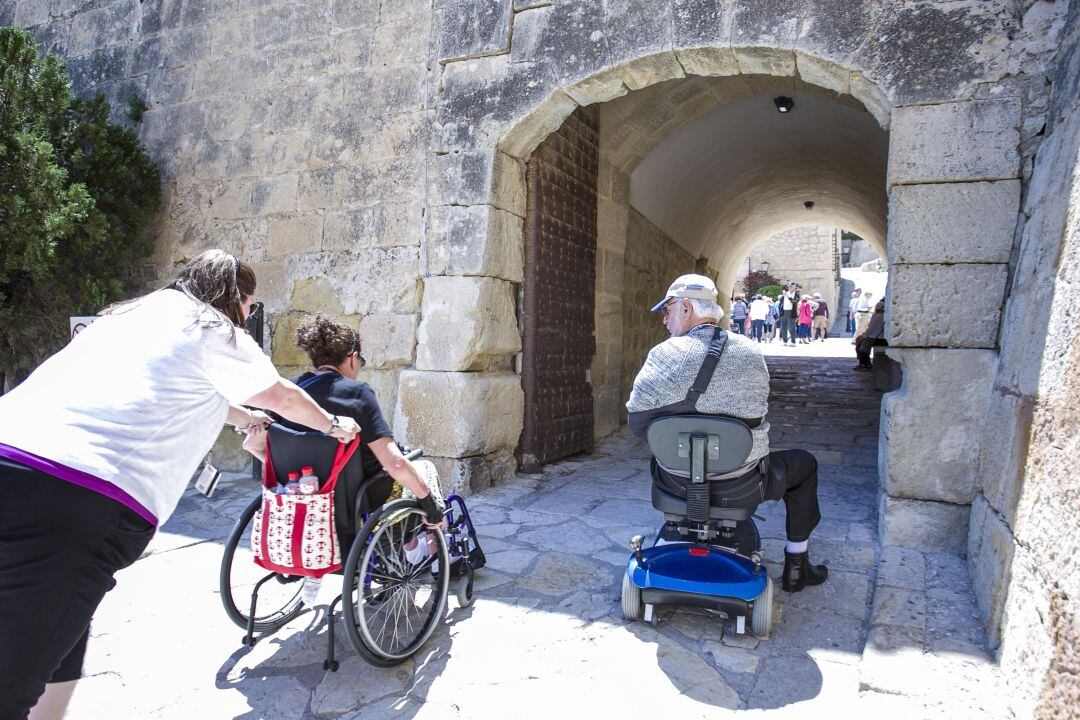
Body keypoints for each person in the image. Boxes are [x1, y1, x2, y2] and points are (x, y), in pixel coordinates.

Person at [0, 250, 369, 720]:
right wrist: (333, 426)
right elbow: (281, 395)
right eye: (250, 305)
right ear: (236, 297)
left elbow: (183, 387)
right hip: (73, 490)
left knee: (62, 632)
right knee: (14, 678)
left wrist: (242, 417)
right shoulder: (211, 326)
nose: (250, 314)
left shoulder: (130, 316)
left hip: (13, 449)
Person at [626, 274, 828, 594]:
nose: (664, 319)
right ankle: (797, 564)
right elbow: (758, 415)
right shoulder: (750, 350)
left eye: (668, 310)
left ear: (688, 308)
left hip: (676, 481)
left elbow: (636, 422)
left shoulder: (663, 354)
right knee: (804, 464)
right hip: (744, 482)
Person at [240, 315, 445, 604]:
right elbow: (394, 463)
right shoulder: (357, 394)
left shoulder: (292, 392)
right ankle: (430, 549)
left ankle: (409, 547)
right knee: (422, 469)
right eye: (359, 363)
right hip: (357, 505)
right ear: (352, 357)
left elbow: (257, 445)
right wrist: (428, 503)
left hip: (305, 502)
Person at [854, 299, 888, 370]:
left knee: (860, 345)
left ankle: (864, 363)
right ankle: (866, 363)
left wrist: (863, 336)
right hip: (883, 339)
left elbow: (871, 329)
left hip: (877, 339)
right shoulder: (886, 316)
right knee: (863, 343)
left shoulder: (876, 316)